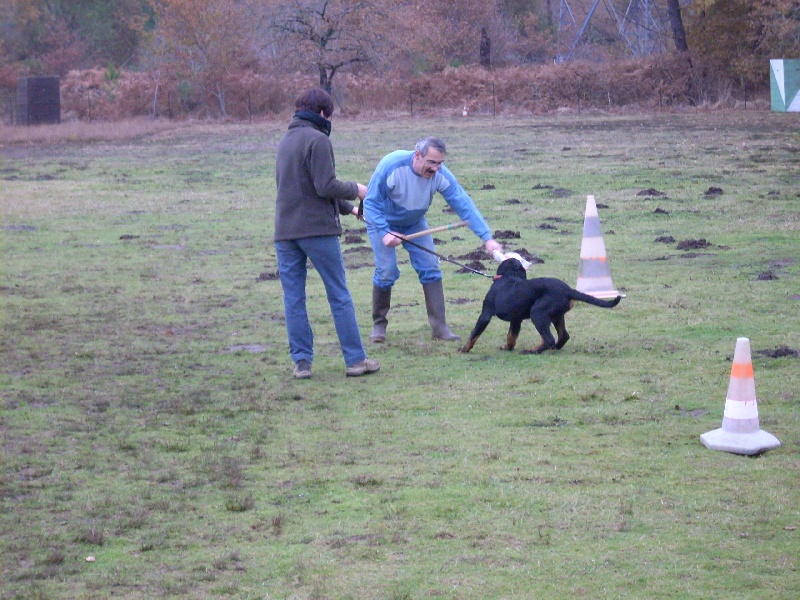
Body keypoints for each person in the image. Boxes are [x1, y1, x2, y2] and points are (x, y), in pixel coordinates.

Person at [274, 88, 379, 379]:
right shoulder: (318, 140)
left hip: (285, 232)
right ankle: (356, 360)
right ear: (322, 113)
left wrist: (350, 209)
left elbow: (306, 187)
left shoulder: (285, 141)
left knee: (293, 298)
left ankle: (302, 363)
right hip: (317, 231)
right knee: (339, 294)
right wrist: (356, 190)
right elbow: (325, 185)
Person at [363, 136, 503, 343]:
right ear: (417, 156)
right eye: (432, 162)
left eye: (440, 163)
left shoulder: (440, 175)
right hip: (382, 222)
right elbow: (371, 203)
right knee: (386, 272)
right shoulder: (391, 166)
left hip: (414, 222)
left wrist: (487, 238)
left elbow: (462, 203)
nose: (436, 168)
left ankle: (440, 327)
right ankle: (379, 325)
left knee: (430, 268)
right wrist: (385, 232)